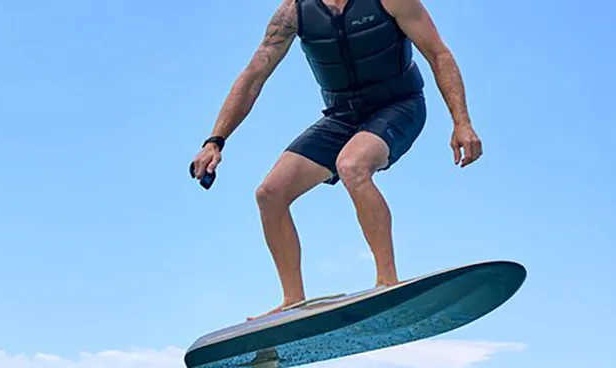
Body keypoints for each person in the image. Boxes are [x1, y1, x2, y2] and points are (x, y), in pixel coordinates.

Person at [190, 0, 482, 319]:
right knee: (270, 194)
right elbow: (252, 77)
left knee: (352, 166)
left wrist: (461, 122)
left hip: (400, 105)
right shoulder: (292, 13)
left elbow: (438, 54)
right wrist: (215, 140)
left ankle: (387, 281)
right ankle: (293, 299)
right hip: (342, 117)